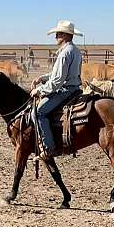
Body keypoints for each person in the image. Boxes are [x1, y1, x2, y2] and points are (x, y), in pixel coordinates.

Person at [30, 20, 83, 159]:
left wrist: (40, 90)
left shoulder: (65, 53)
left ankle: (49, 148)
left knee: (38, 112)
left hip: (66, 90)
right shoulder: (75, 51)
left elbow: (58, 81)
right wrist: (42, 78)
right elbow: (59, 75)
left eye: (58, 34)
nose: (56, 36)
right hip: (75, 87)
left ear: (65, 35)